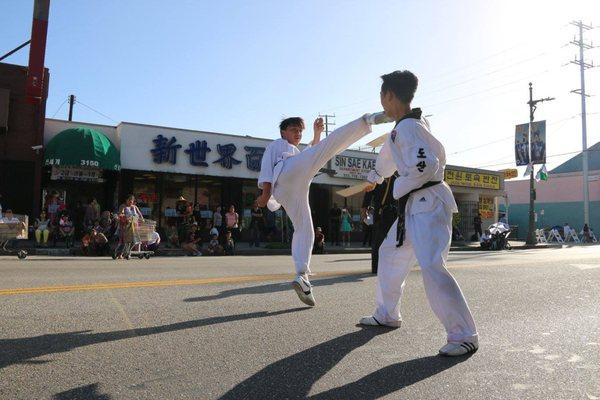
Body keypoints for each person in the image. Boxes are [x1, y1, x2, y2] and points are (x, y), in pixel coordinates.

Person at [358, 70, 478, 357]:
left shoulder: (410, 128)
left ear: (388, 95)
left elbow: (425, 166)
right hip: (416, 206)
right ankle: (387, 313)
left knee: (432, 266)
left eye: (382, 97)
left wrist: (397, 185)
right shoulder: (405, 128)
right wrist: (374, 176)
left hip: (428, 202)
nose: (382, 104)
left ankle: (464, 334)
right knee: (390, 253)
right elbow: (389, 158)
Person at [256, 111, 391, 307]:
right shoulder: (276, 146)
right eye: (294, 130)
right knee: (327, 149)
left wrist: (316, 133)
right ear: (283, 132)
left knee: (304, 229)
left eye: (300, 131)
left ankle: (302, 276)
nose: (298, 134)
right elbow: (268, 170)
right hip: (284, 176)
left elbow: (311, 154)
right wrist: (265, 195)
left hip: (290, 188)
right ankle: (367, 120)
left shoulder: (295, 153)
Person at [362, 173, 398, 274]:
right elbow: (368, 192)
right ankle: (376, 267)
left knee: (391, 242)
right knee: (378, 241)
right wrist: (364, 207)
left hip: (393, 213)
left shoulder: (397, 178)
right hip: (381, 213)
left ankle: (389, 266)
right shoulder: (377, 177)